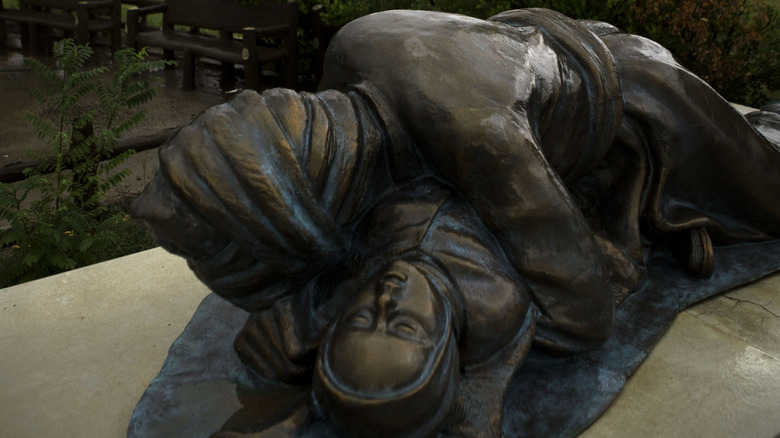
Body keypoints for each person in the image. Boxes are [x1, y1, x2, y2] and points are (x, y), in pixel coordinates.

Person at [131, 8, 780, 437]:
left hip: (643, 101)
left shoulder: (475, 139)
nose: (257, 101)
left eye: (252, 115)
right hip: (555, 109)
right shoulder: (359, 53)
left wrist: (470, 338)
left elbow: (581, 304)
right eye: (268, 126)